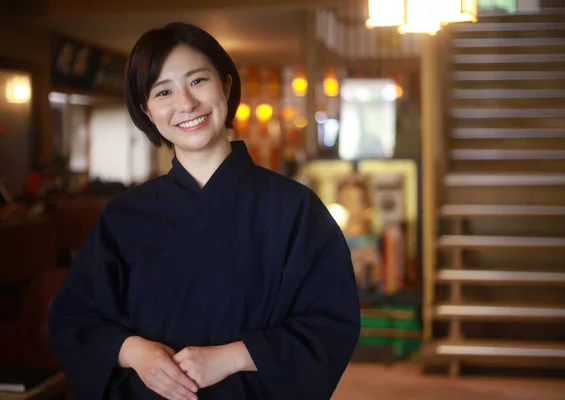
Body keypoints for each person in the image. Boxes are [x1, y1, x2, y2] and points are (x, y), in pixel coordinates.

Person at [48, 22, 360, 400]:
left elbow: (329, 324)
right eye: (163, 91)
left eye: (197, 81)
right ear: (147, 111)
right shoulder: (124, 216)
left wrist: (233, 357)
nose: (185, 103)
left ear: (226, 85)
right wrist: (133, 352)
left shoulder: (294, 209)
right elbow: (74, 319)